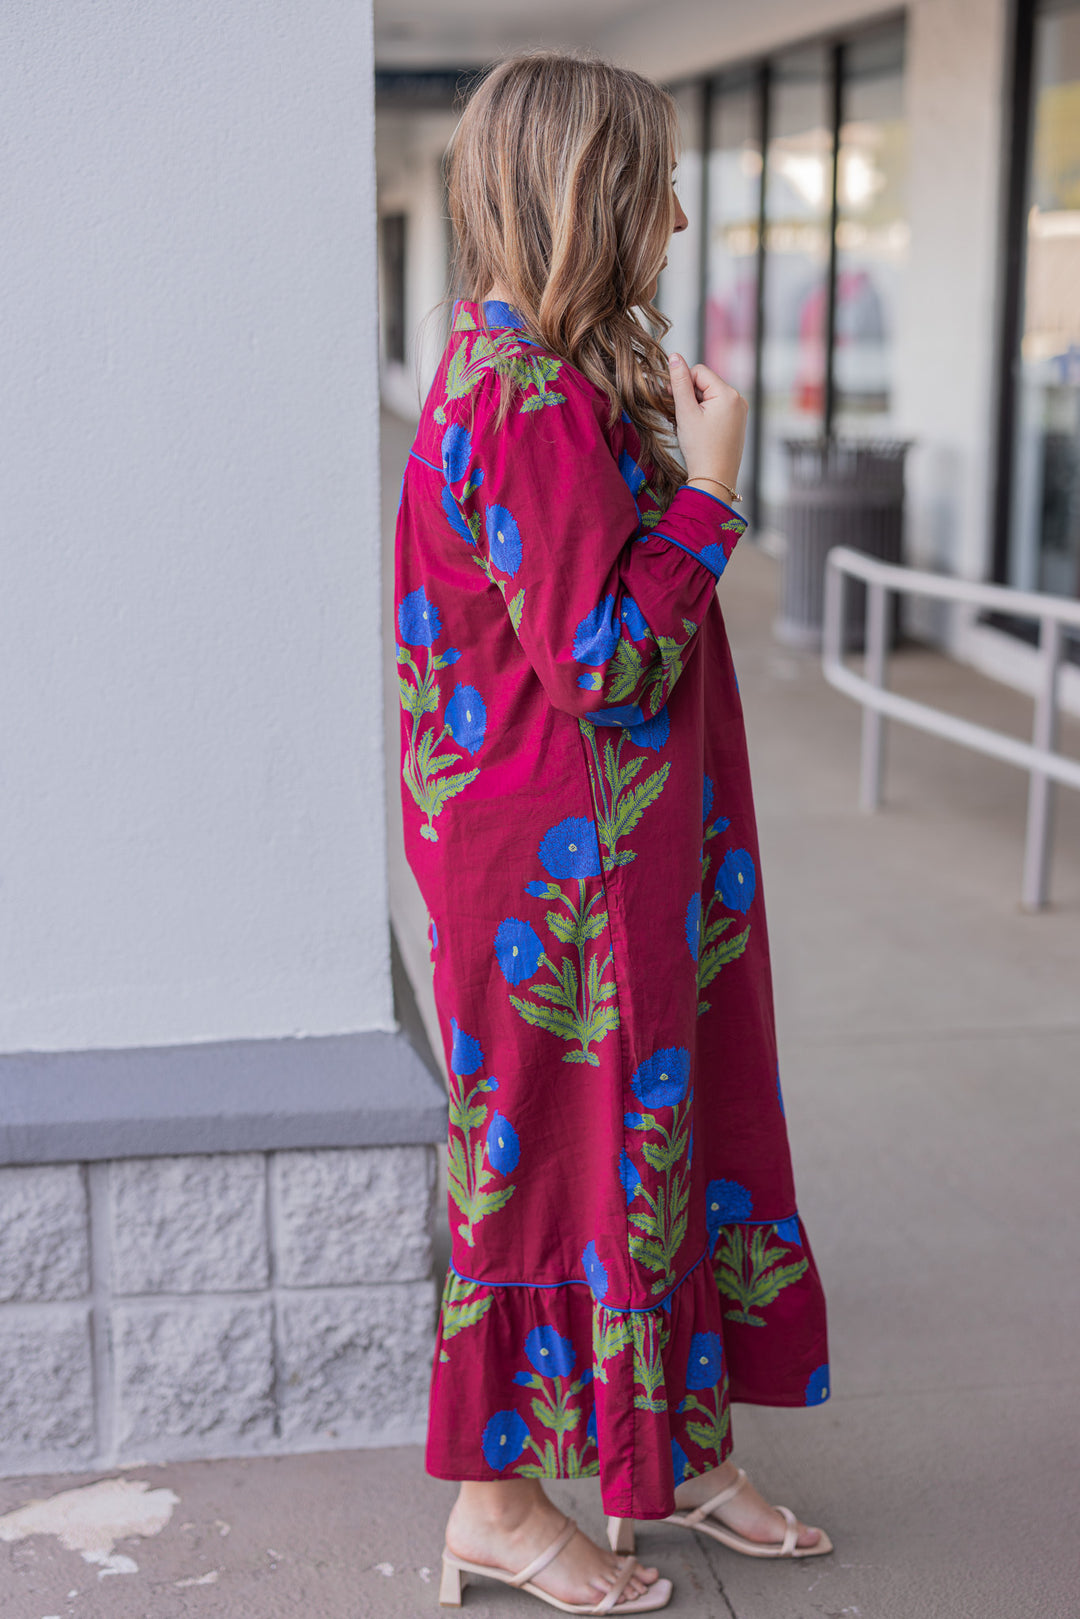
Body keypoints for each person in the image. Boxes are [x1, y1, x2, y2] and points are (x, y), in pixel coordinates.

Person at [394, 49, 832, 1616]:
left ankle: (679, 1454)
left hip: (615, 855)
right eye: (654, 184)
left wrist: (658, 444)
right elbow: (599, 658)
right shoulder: (514, 393)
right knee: (544, 1166)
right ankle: (492, 1505)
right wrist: (710, 495)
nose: (680, 216)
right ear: (587, 196)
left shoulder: (552, 376)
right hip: (551, 878)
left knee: (656, 1144)